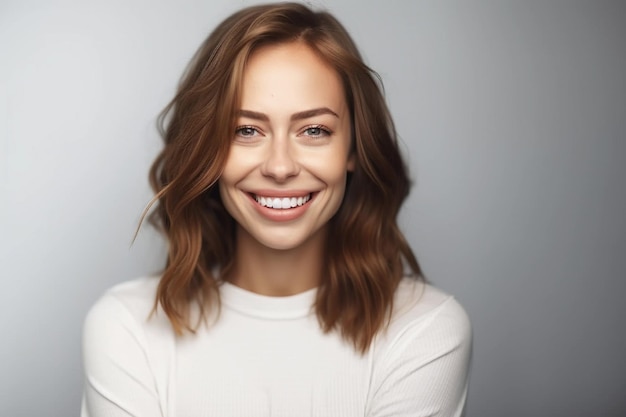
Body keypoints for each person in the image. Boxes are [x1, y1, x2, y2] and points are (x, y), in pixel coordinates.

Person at [81, 2, 471, 416]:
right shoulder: (126, 327)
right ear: (207, 150)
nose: (280, 167)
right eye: (246, 130)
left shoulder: (425, 329)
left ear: (353, 148)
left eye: (314, 130)